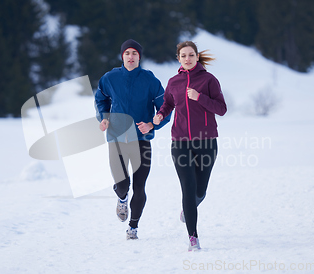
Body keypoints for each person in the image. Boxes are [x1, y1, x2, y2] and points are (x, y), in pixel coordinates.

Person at [153, 41, 227, 251]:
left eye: (191, 55)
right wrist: (160, 114)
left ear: (197, 57)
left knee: (200, 191)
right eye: (183, 55)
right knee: (188, 188)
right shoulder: (174, 82)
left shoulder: (209, 80)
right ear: (178, 58)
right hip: (180, 142)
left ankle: (189, 209)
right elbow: (168, 104)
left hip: (206, 141)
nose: (187, 59)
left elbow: (221, 109)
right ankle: (193, 237)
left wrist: (200, 97)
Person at [95, 39, 171, 240]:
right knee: (122, 184)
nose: (131, 56)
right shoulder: (110, 78)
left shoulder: (150, 80)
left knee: (139, 186)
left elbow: (164, 109)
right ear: (122, 56)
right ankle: (121, 198)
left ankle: (133, 227)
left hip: (141, 140)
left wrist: (152, 124)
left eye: (134, 53)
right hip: (117, 138)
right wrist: (103, 117)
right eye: (127, 53)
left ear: (139, 57)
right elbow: (101, 99)